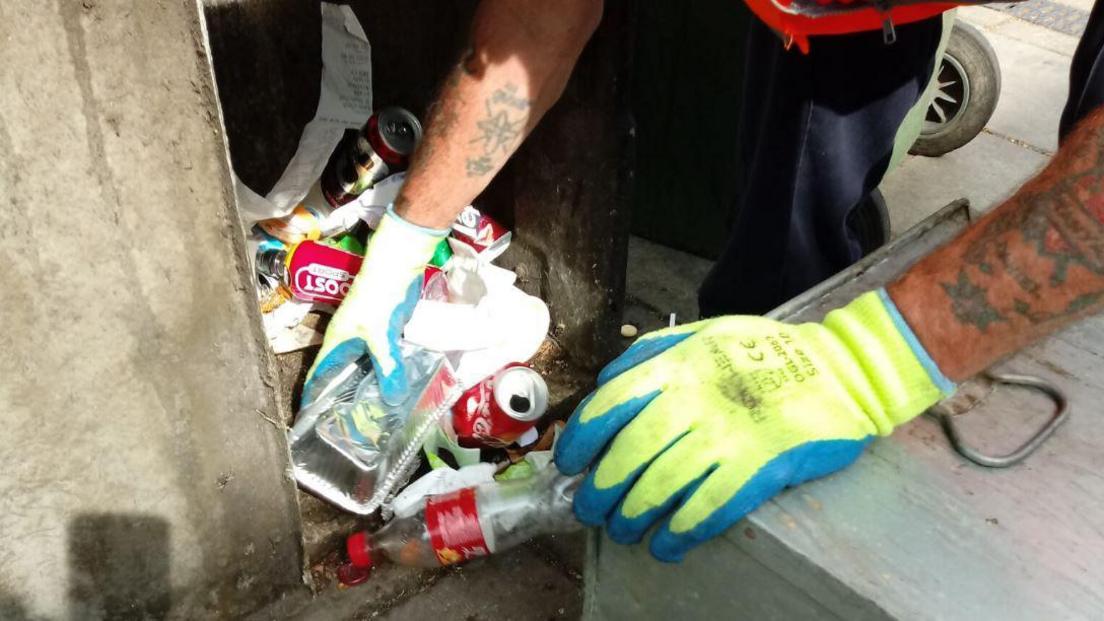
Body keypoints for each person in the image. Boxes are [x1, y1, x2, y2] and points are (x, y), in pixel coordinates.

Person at [309, 0, 1104, 562]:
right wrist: (401, 249)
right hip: (825, 17)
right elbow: (537, 17)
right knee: (778, 262)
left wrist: (872, 363)